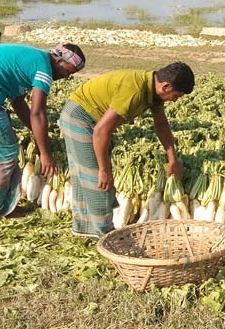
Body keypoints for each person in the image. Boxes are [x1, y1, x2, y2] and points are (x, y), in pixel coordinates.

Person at [58, 62, 195, 238]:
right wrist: (104, 170)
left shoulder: (153, 92)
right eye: (176, 96)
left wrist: (173, 159)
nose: (175, 100)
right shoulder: (135, 90)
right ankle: (105, 236)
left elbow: (161, 125)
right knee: (97, 178)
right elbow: (101, 131)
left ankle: (86, 229)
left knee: (89, 174)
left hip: (96, 121)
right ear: (166, 86)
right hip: (79, 117)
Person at [0, 42, 85, 219]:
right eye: (68, 70)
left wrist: (40, 138)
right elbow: (38, 113)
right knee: (3, 152)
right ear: (59, 59)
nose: (66, 76)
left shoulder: (35, 59)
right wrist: (45, 154)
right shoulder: (44, 68)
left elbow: (18, 103)